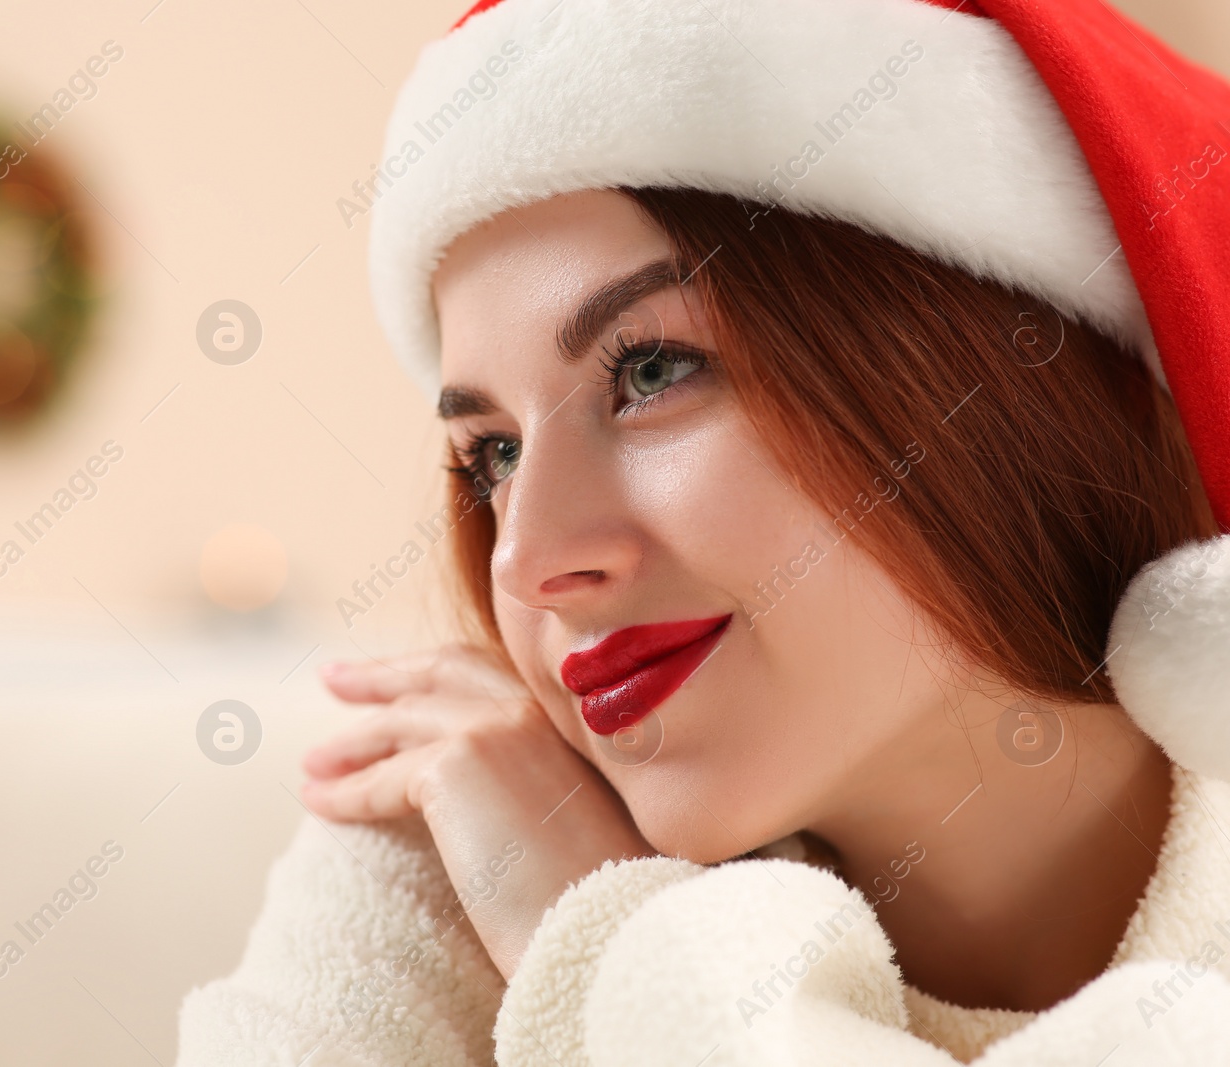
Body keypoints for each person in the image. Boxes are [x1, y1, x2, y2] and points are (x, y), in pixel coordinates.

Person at [177, 0, 1230, 1062]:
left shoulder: (547, 881)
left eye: (649, 371)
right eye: (493, 452)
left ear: (995, 368)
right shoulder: (469, 809)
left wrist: (599, 943)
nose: (529, 559)